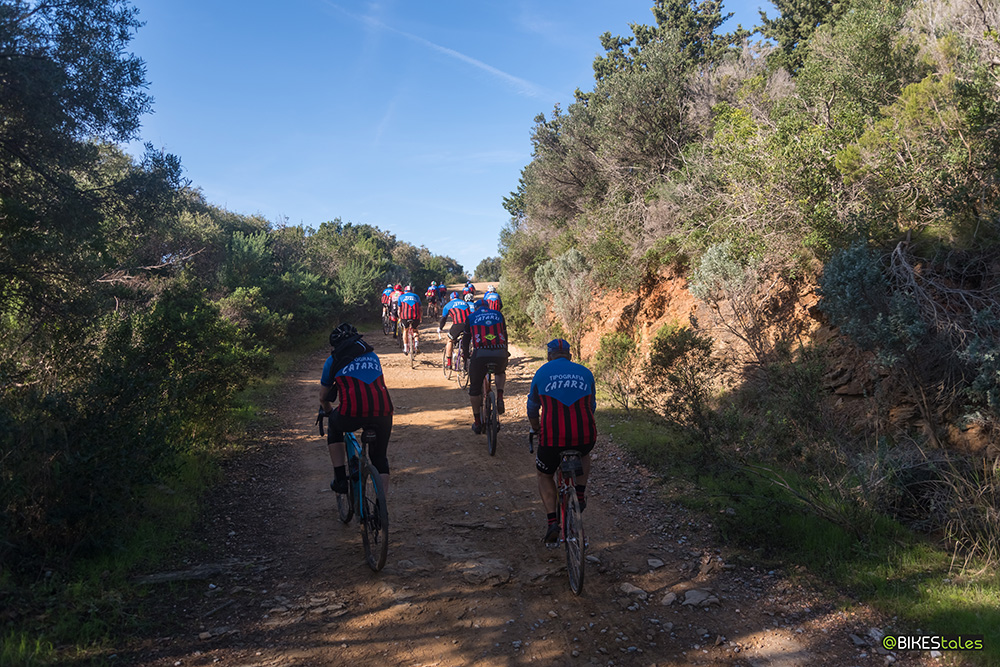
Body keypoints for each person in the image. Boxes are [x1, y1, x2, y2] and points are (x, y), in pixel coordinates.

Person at [526, 339, 597, 544]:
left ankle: (552, 522)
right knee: (584, 453)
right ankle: (580, 494)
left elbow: (532, 409)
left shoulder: (542, 372)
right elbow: (591, 407)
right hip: (584, 436)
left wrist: (536, 428)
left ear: (549, 356)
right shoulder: (585, 372)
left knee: (544, 474)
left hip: (552, 439)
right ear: (570, 356)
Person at [319, 323, 394, 494]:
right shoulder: (373, 356)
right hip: (383, 412)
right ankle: (380, 508)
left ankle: (340, 479)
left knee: (334, 425)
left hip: (351, 413)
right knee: (380, 457)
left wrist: (329, 411)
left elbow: (323, 397)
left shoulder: (332, 361)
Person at [461, 298, 508, 434]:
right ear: (488, 307)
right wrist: (506, 350)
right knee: (500, 371)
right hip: (500, 352)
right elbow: (505, 335)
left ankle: (477, 422)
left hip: (480, 354)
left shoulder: (471, 317)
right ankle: (499, 396)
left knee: (474, 389)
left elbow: (466, 340)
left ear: (476, 308)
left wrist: (466, 356)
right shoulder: (498, 314)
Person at [437, 291, 471, 368]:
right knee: (467, 340)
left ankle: (449, 364)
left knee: (450, 340)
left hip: (457, 325)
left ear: (450, 298)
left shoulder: (447, 305)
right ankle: (466, 360)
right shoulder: (465, 303)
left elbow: (443, 319)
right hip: (469, 324)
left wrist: (440, 328)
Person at [397, 285, 422, 354]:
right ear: (412, 291)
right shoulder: (416, 296)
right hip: (415, 316)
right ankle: (416, 344)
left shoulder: (401, 297)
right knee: (415, 330)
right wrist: (420, 318)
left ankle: (405, 348)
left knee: (405, 330)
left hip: (405, 316)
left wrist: (400, 318)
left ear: (405, 291)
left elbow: (399, 310)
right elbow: (420, 309)